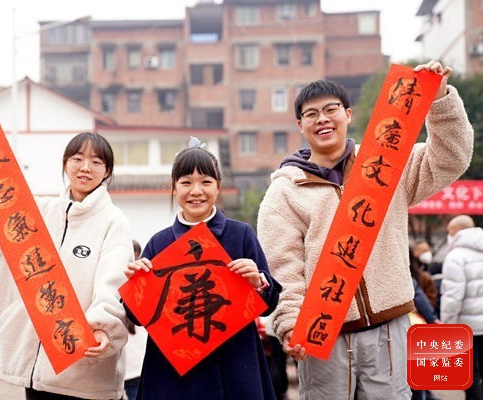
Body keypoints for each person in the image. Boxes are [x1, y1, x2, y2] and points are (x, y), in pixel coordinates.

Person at [257, 60, 474, 399]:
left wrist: (440, 99)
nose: (322, 119)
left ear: (348, 114)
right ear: (300, 125)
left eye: (331, 109)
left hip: (390, 330)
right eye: (311, 114)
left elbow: (450, 158)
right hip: (323, 339)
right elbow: (283, 266)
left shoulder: (387, 162)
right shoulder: (283, 191)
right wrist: (291, 326)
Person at [0, 131, 134, 399]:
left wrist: (102, 325)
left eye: (96, 162)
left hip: (83, 367)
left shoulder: (113, 221)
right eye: (78, 159)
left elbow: (113, 280)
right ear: (65, 163)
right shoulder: (39, 212)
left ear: (107, 171)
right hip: (36, 374)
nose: (85, 167)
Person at [123, 139, 282, 399]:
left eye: (206, 182)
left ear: (218, 187)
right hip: (173, 374)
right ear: (174, 188)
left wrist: (259, 283)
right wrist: (136, 285)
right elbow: (137, 317)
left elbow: (269, 304)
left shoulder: (241, 235)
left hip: (233, 364)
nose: (196, 191)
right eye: (186, 182)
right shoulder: (159, 243)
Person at [440, 214, 483, 400]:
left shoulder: (455, 257)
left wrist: (448, 325)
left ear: (453, 232)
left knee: (470, 374)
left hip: (468, 327)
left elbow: (453, 296)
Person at [123, 240, 147, 400]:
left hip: (135, 365)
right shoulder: (113, 280)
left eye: (135, 257)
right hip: (121, 364)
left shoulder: (142, 280)